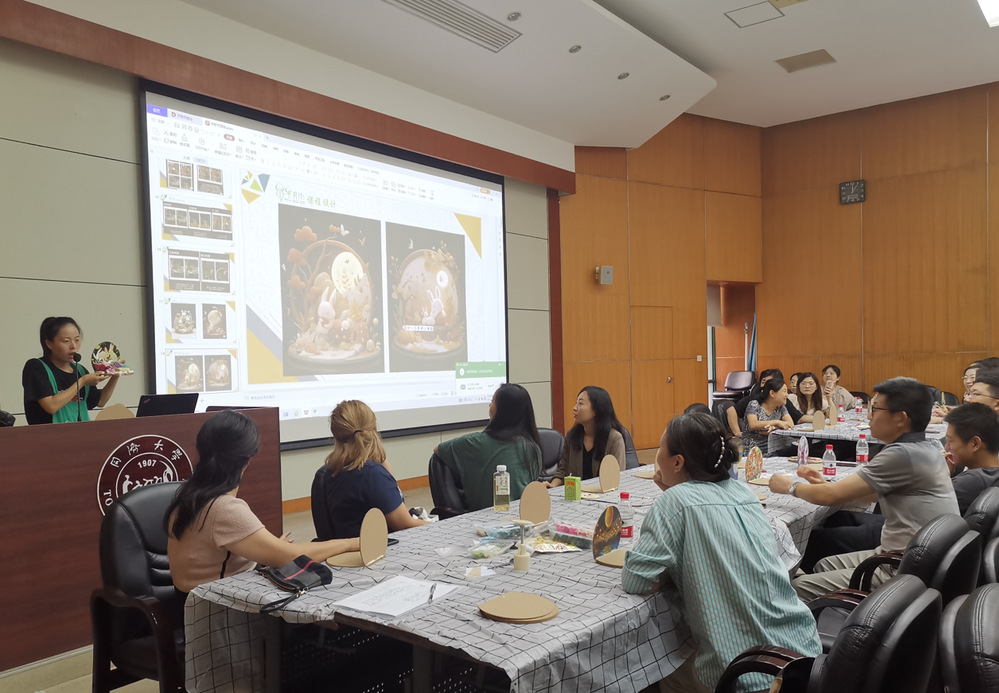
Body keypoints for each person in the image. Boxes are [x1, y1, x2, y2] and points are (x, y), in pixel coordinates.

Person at [622, 413, 821, 693]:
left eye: (660, 448)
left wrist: (669, 573)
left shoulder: (674, 503)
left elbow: (636, 579)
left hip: (748, 674)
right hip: (803, 655)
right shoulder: (743, 493)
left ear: (677, 462)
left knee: (658, 673)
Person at [769, 377, 959, 601]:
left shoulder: (901, 455)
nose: (869, 416)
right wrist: (825, 484)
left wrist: (789, 487)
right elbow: (871, 493)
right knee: (823, 564)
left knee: (797, 588)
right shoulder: (927, 448)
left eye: (875, 409)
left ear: (900, 418)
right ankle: (832, 610)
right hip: (918, 556)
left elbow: (831, 497)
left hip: (904, 568)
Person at [167, 410, 358, 593]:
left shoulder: (188, 494)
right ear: (248, 460)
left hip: (192, 601)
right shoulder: (224, 508)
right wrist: (351, 543)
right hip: (217, 607)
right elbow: (292, 556)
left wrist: (270, 550)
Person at [317, 400, 430, 538]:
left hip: (352, 546)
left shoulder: (332, 471)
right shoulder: (371, 475)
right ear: (373, 429)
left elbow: (391, 490)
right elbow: (405, 524)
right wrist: (441, 527)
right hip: (382, 547)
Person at [434, 383, 542, 510]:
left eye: (492, 401)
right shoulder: (533, 448)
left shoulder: (473, 443)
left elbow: (438, 450)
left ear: (502, 410)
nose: (489, 406)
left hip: (486, 518)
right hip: (526, 516)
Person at [22, 316, 120, 424]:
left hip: (79, 433)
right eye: (66, 341)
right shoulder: (36, 367)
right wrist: (82, 382)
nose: (73, 346)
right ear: (49, 344)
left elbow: (100, 401)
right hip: (48, 434)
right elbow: (51, 406)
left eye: (77, 340)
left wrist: (115, 375)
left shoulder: (80, 370)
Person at [546, 386, 626, 487]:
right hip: (575, 494)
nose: (574, 408)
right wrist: (552, 486)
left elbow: (617, 477)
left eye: (580, 403)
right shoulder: (571, 435)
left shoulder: (614, 439)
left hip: (603, 494)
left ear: (596, 410)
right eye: (576, 403)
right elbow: (562, 470)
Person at [944, 403, 999, 513]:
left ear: (975, 444)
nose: (947, 447)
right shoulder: (992, 476)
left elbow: (923, 508)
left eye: (951, 441)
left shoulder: (968, 483)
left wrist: (940, 477)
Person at [740, 376, 794, 452]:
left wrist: (774, 428)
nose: (787, 395)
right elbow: (753, 424)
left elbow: (790, 424)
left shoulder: (781, 407)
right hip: (753, 449)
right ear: (772, 393)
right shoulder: (754, 404)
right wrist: (776, 422)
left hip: (773, 447)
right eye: (784, 391)